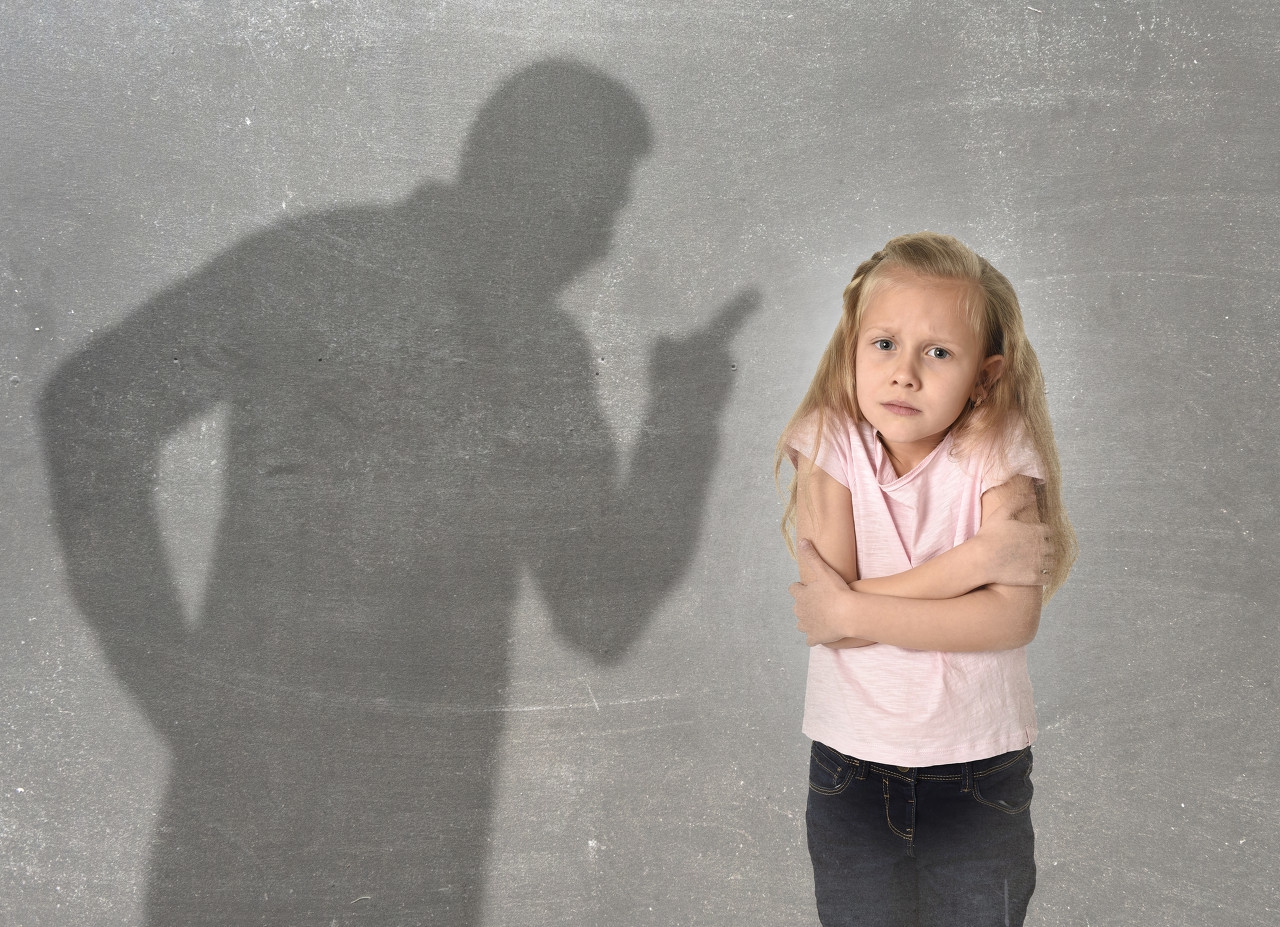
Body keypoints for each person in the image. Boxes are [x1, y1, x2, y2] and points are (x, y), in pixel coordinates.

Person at [40, 60, 755, 926]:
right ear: (541, 188)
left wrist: (681, 419)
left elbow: (600, 614)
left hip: (375, 866)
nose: (599, 242)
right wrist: (175, 684)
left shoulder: (505, 342)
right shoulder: (345, 281)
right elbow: (90, 412)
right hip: (298, 858)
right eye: (598, 206)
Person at [775, 231, 1076, 926]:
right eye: (884, 344)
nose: (904, 372)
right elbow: (831, 614)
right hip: (850, 771)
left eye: (938, 352)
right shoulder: (828, 439)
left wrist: (848, 608)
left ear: (986, 376)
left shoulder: (999, 444)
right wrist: (972, 564)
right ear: (852, 347)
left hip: (979, 773)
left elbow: (1008, 619)